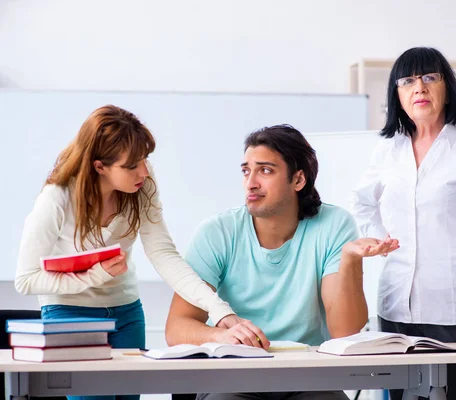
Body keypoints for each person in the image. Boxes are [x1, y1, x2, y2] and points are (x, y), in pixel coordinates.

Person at [15, 105, 246, 400]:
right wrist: (95, 275)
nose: (144, 171)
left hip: (126, 313)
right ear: (100, 166)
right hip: (69, 315)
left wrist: (219, 310)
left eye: (145, 159)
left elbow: (164, 255)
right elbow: (26, 279)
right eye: (131, 165)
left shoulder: (143, 186)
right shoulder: (57, 199)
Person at [165, 124, 399, 400]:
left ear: (298, 180)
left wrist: (349, 260)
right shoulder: (217, 232)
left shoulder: (334, 225)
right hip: (234, 378)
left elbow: (344, 331)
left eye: (265, 170)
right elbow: (177, 327)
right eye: (246, 170)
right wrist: (220, 337)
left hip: (308, 378)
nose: (251, 182)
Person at [350, 47, 456, 400]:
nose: (418, 88)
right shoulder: (387, 149)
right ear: (397, 95)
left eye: (429, 78)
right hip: (397, 306)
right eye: (407, 81)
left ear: (446, 87)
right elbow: (363, 203)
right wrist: (378, 240)